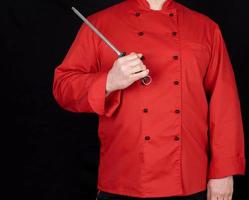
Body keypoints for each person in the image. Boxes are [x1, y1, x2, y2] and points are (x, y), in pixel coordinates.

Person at [53, 0, 246, 199]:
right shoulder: (100, 23)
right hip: (124, 179)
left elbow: (225, 104)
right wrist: (109, 81)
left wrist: (223, 171)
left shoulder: (205, 28)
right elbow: (63, 88)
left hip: (189, 179)